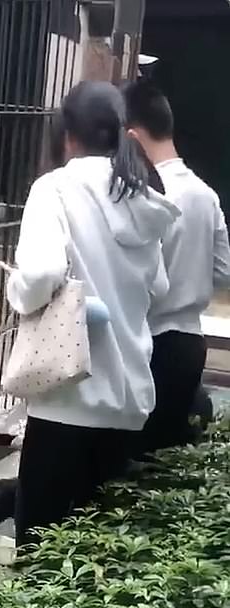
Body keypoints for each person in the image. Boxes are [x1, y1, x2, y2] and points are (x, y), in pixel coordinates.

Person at [0, 79, 178, 573]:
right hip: (127, 401)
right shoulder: (142, 194)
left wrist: (19, 290)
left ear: (68, 136)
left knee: (43, 559)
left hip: (68, 400)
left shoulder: (56, 188)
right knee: (88, 554)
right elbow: (161, 289)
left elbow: (40, 274)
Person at [123, 78, 230, 453]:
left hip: (150, 345)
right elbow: (224, 271)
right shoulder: (206, 194)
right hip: (191, 344)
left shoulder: (143, 194)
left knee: (130, 464)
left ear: (132, 136)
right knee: (165, 462)